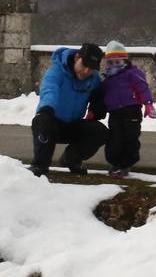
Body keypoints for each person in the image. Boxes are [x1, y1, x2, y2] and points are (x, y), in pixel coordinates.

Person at [31, 42, 107, 178]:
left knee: (100, 132)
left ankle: (71, 159)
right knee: (41, 122)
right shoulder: (56, 71)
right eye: (84, 66)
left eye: (91, 69)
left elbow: (98, 94)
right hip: (52, 121)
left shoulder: (93, 78)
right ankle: (40, 166)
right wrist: (47, 107)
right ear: (77, 57)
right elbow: (50, 89)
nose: (86, 72)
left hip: (73, 125)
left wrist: (97, 107)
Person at [94, 40, 156, 178]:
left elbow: (142, 88)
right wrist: (94, 110)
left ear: (125, 61)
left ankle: (126, 163)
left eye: (118, 62)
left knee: (130, 137)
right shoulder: (107, 80)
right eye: (111, 63)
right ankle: (115, 163)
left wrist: (148, 103)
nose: (114, 65)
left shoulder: (133, 74)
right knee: (115, 138)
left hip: (131, 111)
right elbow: (101, 96)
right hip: (115, 113)